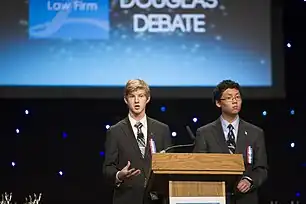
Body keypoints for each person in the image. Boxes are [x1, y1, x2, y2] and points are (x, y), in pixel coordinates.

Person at [193, 79, 268, 204]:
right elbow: (199, 167)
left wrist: (249, 180)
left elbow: (262, 168)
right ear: (218, 103)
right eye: (229, 98)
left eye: (237, 97)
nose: (235, 101)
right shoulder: (205, 133)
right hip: (215, 197)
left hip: (246, 199)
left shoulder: (255, 133)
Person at [103, 79, 172, 204]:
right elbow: (108, 168)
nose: (136, 101)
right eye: (132, 96)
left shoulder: (162, 130)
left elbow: (169, 166)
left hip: (156, 199)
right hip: (127, 199)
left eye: (140, 96)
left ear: (148, 99)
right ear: (126, 100)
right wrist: (119, 175)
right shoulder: (115, 131)